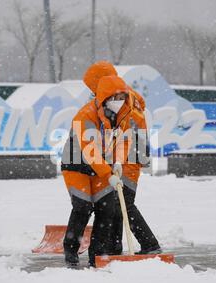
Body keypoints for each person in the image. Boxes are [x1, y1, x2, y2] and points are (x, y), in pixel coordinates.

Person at [61, 61, 160, 267]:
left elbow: (126, 138)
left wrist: (117, 163)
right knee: (100, 204)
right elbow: (92, 146)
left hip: (126, 158)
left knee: (119, 203)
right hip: (92, 160)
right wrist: (110, 168)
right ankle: (109, 247)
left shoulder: (124, 103)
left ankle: (141, 244)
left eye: (92, 86)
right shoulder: (95, 109)